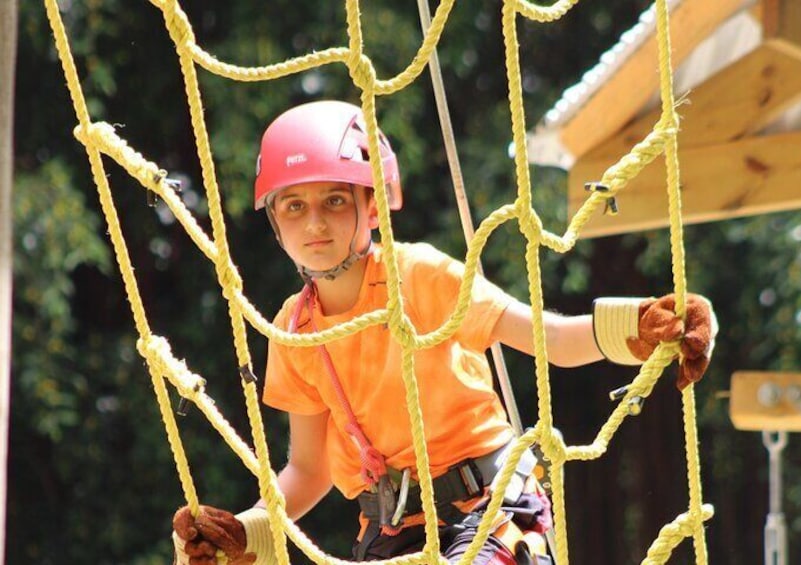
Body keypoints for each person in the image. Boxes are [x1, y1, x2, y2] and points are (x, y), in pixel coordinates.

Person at [172, 100, 717, 565]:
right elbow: (308, 471)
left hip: (490, 510)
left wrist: (639, 327)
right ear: (274, 223)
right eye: (294, 206)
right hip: (390, 534)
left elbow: (548, 337)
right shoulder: (293, 330)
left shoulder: (420, 276)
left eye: (335, 200)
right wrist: (248, 531)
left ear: (374, 206)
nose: (315, 222)